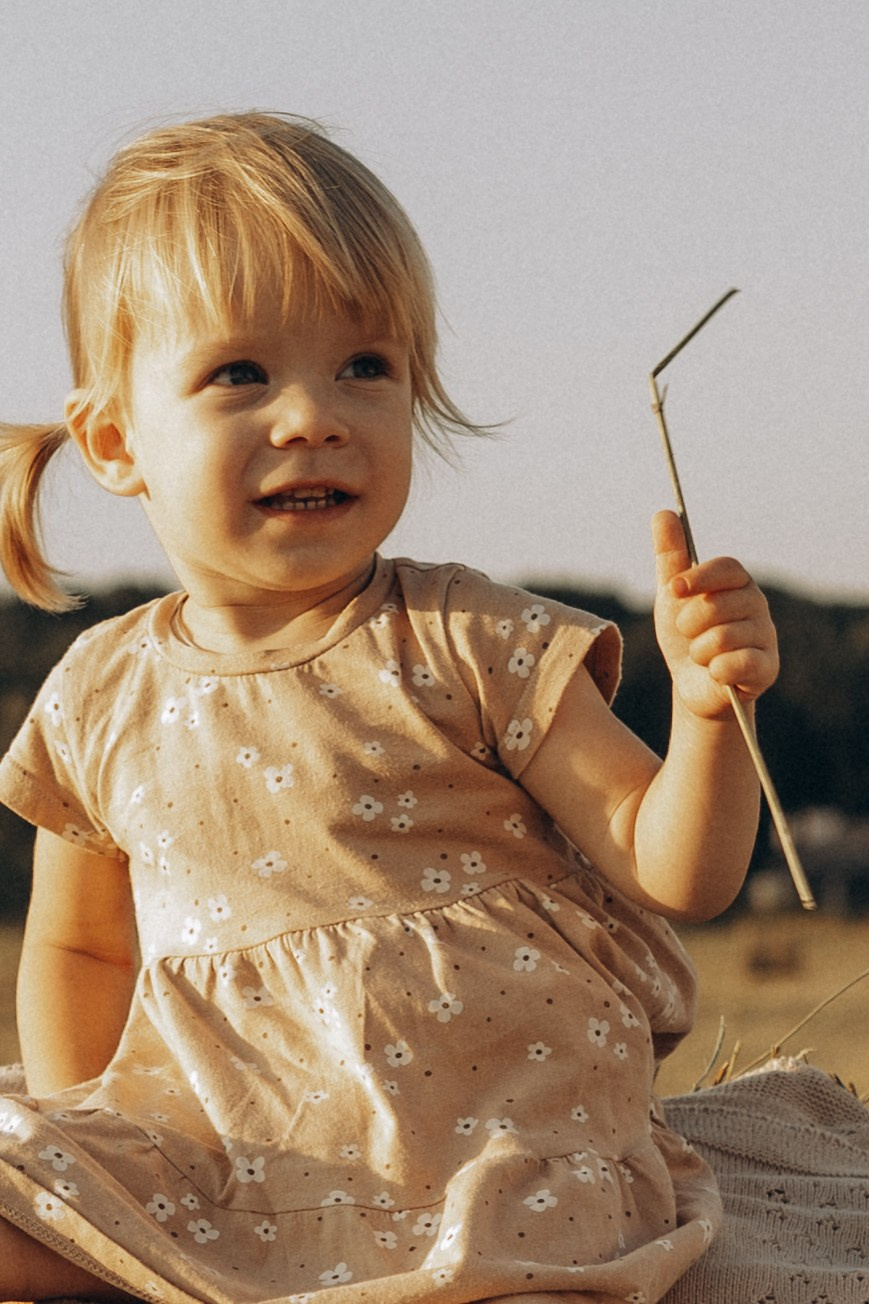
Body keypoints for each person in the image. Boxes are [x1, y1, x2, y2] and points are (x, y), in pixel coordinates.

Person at [0, 112, 778, 1304]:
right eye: (241, 372)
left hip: (493, 1146)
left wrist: (708, 715)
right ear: (115, 439)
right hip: (237, 1155)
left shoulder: (470, 640)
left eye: (365, 365)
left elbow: (670, 867)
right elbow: (81, 942)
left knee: (505, 1273)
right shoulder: (97, 694)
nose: (313, 411)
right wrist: (98, 1158)